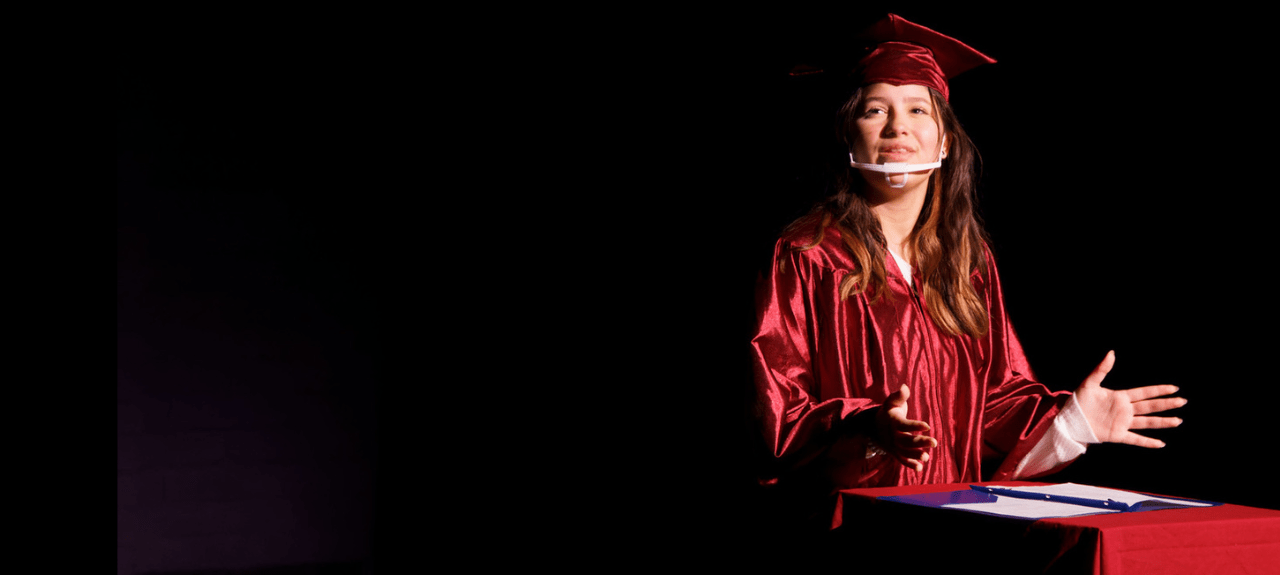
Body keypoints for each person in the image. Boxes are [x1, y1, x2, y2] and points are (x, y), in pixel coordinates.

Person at [750, 14, 1187, 529]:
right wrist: (868, 427)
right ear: (850, 136)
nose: (898, 127)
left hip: (952, 528)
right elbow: (778, 410)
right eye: (875, 110)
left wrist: (1076, 421)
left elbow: (997, 398)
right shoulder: (808, 254)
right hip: (849, 526)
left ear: (945, 143)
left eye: (918, 109)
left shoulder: (966, 262)